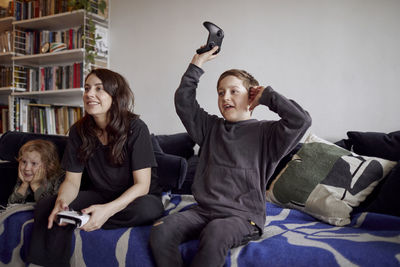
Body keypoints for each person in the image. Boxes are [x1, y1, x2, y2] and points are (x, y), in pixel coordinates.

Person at [149, 46, 312, 267]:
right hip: (203, 211)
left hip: (243, 217)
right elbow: (184, 102)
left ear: (252, 95)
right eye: (220, 92)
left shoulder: (268, 134)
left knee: (216, 231)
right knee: (162, 231)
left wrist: (268, 96)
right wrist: (197, 63)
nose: (225, 97)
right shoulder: (210, 128)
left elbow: (300, 120)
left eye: (234, 91)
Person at [27, 68, 164, 266]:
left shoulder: (136, 127)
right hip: (99, 194)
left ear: (115, 96)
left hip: (135, 197)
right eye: (87, 88)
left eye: (99, 89)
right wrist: (62, 201)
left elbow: (142, 185)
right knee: (47, 206)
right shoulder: (78, 131)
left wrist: (107, 210)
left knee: (148, 209)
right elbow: (72, 181)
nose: (89, 94)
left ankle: (86, 218)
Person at [8, 139, 64, 204]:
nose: (27, 168)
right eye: (24, 162)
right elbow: (12, 204)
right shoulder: (26, 176)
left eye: (34, 163)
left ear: (48, 166)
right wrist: (24, 184)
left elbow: (47, 206)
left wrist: (35, 186)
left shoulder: (59, 179)